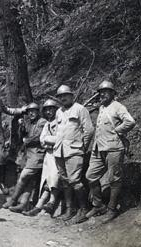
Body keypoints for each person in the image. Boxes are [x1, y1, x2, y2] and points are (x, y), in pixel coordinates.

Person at [85, 80, 136, 223]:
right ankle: (98, 205)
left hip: (113, 148)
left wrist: (117, 130)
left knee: (114, 179)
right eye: (101, 92)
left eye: (106, 92)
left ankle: (112, 208)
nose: (102, 94)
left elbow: (130, 121)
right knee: (90, 176)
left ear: (113, 93)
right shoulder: (101, 107)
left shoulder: (118, 106)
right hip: (98, 148)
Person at [54, 85, 94, 224]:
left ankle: (83, 209)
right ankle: (69, 209)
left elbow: (88, 130)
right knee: (65, 182)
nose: (63, 98)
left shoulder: (80, 109)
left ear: (72, 96)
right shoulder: (59, 111)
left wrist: (83, 147)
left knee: (75, 181)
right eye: (60, 96)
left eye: (66, 95)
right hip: (59, 152)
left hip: (74, 152)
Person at [2, 102, 47, 213]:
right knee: (29, 180)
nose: (31, 113)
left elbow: (39, 137)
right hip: (28, 155)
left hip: (38, 154)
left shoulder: (42, 122)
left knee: (23, 176)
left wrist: (27, 140)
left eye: (34, 111)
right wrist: (21, 126)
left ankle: (13, 200)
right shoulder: (29, 123)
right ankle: (23, 203)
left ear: (38, 111)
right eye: (29, 112)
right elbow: (21, 135)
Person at [23, 98, 63, 217]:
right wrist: (49, 141)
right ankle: (38, 206)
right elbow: (42, 140)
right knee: (46, 179)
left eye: (52, 109)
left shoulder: (60, 122)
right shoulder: (47, 123)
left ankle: (51, 202)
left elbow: (60, 139)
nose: (49, 112)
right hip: (48, 155)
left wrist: (49, 140)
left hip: (58, 154)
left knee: (54, 178)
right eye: (47, 110)